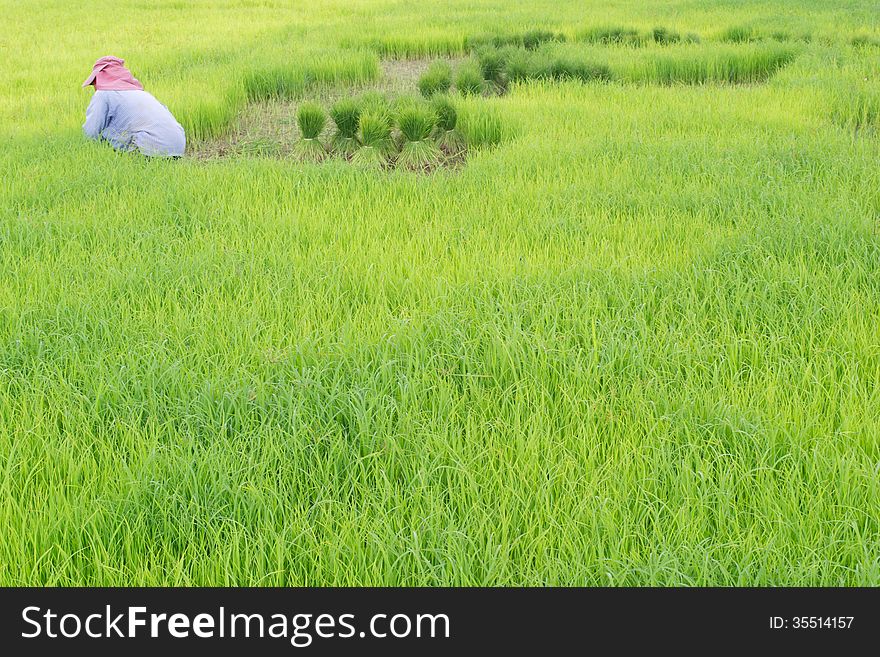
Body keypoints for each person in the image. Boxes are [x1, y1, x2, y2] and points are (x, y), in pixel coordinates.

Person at [82, 56, 186, 157]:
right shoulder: (140, 93)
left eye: (95, 82)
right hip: (178, 147)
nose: (95, 86)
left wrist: (85, 150)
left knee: (105, 133)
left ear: (101, 77)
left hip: (151, 148)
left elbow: (91, 131)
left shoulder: (103, 94)